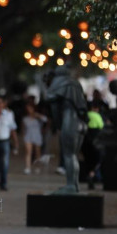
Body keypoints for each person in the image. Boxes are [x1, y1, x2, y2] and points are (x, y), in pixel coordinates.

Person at [46, 65, 88, 194]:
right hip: (81, 122)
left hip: (69, 120)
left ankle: (70, 185)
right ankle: (74, 185)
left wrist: (58, 125)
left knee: (68, 154)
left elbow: (54, 108)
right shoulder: (76, 83)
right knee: (73, 155)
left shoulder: (58, 83)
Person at [82, 101, 104, 190]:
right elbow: (101, 126)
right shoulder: (97, 115)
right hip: (95, 142)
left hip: (85, 140)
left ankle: (89, 175)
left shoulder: (85, 116)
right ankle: (92, 174)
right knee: (97, 160)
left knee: (88, 160)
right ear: (95, 108)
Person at [21, 101, 47, 174]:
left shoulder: (38, 117)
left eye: (30, 108)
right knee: (28, 152)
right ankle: (27, 167)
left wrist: (38, 115)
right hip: (28, 136)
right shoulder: (25, 119)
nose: (29, 110)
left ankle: (37, 166)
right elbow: (23, 128)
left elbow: (46, 120)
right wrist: (23, 136)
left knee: (37, 153)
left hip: (37, 136)